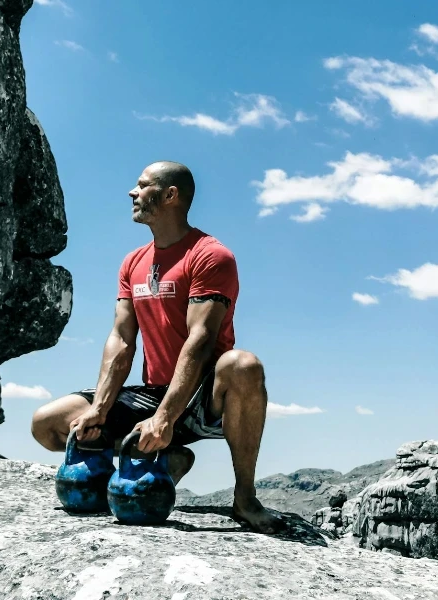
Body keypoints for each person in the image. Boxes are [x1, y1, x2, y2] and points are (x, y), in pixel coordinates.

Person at [31, 161, 283, 533]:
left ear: (170, 196)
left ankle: (245, 498)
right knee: (47, 423)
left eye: (142, 185)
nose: (132, 193)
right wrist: (100, 409)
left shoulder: (211, 255)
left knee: (244, 364)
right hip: (153, 391)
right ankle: (167, 459)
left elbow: (200, 342)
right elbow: (121, 338)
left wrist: (164, 419)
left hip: (203, 394)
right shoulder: (133, 262)